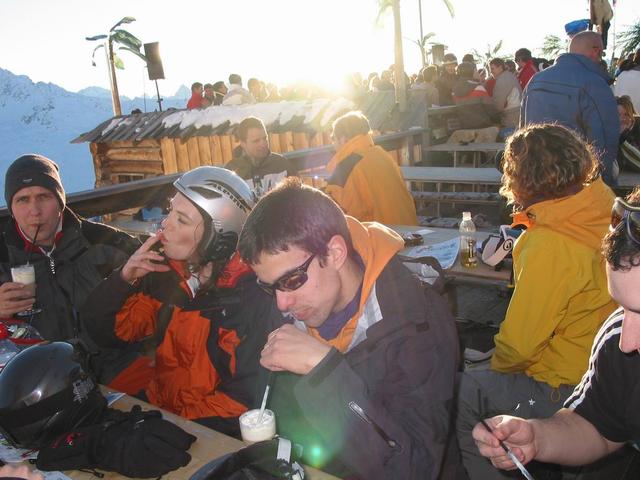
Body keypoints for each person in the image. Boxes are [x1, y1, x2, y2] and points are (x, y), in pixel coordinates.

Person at [237, 178, 460, 480]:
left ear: (335, 253)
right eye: (270, 287)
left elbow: (413, 468)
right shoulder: (292, 311)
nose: (281, 303)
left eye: (291, 281)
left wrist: (325, 373)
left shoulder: (417, 321)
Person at [455, 124, 617, 479]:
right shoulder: (603, 204)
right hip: (608, 368)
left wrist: (489, 370)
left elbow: (520, 346)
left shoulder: (549, 244)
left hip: (568, 385)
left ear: (520, 179)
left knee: (461, 393)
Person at [80, 166, 278, 437]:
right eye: (170, 210)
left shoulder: (254, 300)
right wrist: (124, 279)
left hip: (198, 433)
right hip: (162, 411)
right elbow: (106, 333)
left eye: (181, 220)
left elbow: (240, 405)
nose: (165, 224)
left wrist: (165, 424)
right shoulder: (170, 274)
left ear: (218, 237)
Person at [472, 186, 640, 474]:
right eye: (623, 307)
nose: (626, 340)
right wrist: (538, 437)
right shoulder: (619, 338)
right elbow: (598, 428)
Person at [0, 154, 141, 384]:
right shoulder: (3, 256)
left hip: (119, 367)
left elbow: (159, 274)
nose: (34, 211)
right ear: (12, 208)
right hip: (42, 382)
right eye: (22, 200)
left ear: (60, 201)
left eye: (43, 197)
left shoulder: (102, 241)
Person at [520, 31, 620, 187]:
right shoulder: (594, 83)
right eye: (602, 53)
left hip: (537, 179)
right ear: (596, 51)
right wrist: (604, 184)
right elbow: (605, 142)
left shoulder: (535, 80)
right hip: (576, 181)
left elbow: (522, 131)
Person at [324, 111, 418, 225]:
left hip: (381, 238)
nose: (333, 145)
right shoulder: (382, 155)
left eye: (333, 139)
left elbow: (342, 220)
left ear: (343, 139)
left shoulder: (344, 170)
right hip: (409, 230)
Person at [225, 116, 297, 197]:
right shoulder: (230, 173)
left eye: (265, 138)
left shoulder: (282, 165)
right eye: (256, 141)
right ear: (243, 143)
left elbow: (300, 199)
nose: (263, 144)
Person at [488, 58, 521, 131]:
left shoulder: (503, 79)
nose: (491, 71)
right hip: (516, 114)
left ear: (500, 67)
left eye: (492, 69)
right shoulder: (508, 76)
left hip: (511, 117)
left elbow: (498, 105)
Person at [616, 95, 640, 172]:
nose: (622, 119)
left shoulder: (637, 131)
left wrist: (622, 137)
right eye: (618, 115)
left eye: (626, 114)